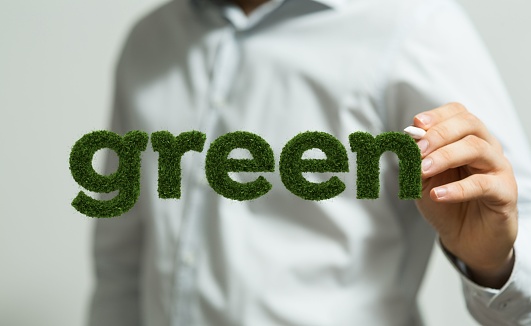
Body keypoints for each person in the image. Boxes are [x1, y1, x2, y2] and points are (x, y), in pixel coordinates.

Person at [88, 0, 531, 325]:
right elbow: (121, 260)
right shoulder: (148, 42)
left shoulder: (415, 25)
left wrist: (493, 263)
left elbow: (514, 217)